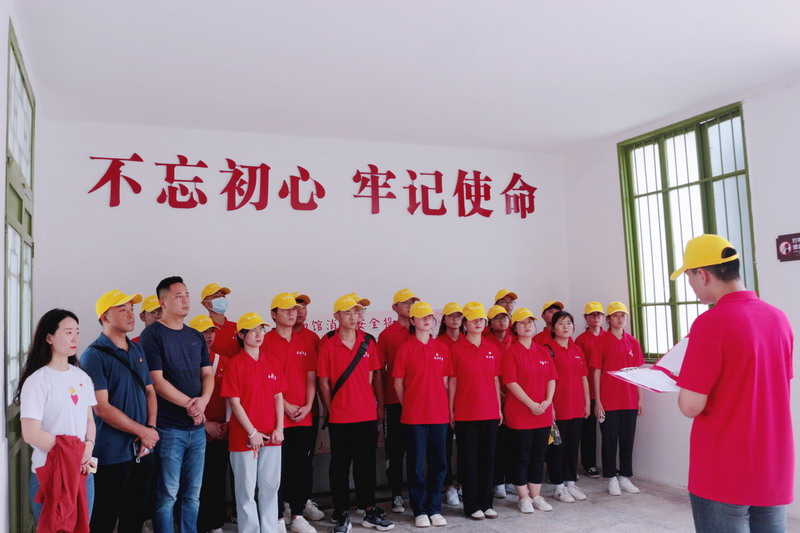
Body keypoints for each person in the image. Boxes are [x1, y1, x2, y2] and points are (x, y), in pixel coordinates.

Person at [673, 234, 794, 532]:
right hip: (772, 466)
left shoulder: (710, 323)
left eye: (689, 278)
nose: (691, 286)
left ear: (703, 274)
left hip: (723, 470)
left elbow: (690, 406)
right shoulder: (779, 319)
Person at [140, 276, 214, 533]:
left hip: (197, 430)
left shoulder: (194, 336)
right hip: (169, 428)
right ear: (163, 302)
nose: (185, 300)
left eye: (187, 295)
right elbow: (157, 381)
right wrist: (190, 405)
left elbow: (208, 374)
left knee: (193, 494)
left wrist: (203, 402)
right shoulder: (152, 335)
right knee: (167, 494)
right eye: (178, 296)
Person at [81, 290, 160, 533]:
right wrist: (142, 431)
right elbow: (101, 408)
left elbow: (150, 391)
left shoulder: (136, 350)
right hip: (108, 453)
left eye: (131, 309)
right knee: (102, 517)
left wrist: (150, 429)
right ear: (105, 317)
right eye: (122, 309)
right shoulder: (93, 356)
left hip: (142, 449)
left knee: (135, 517)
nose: (130, 314)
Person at [318, 295, 394, 533]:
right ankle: (341, 512)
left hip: (366, 415)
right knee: (340, 466)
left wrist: (379, 406)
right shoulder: (328, 344)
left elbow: (375, 377)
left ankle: (369, 509)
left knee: (366, 465)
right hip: (340, 417)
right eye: (348, 312)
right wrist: (331, 408)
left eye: (357, 312)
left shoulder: (368, 342)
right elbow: (323, 382)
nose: (354, 317)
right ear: (337, 316)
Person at [16, 309, 97, 528]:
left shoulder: (82, 377)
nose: (75, 338)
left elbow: (89, 421)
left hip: (83, 473)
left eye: (77, 332)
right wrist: (73, 453)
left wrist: (88, 446)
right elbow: (31, 433)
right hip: (50, 474)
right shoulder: (37, 381)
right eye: (68, 332)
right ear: (49, 338)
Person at [221, 312, 286, 533]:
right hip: (244, 438)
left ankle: (269, 529)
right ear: (241, 335)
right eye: (253, 331)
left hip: (272, 435)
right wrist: (252, 432)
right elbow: (235, 402)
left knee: (270, 486)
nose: (259, 335)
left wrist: (279, 428)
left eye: (261, 330)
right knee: (246, 491)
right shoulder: (235, 364)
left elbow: (278, 397)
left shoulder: (272, 362)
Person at [393, 301, 451, 528]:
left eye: (430, 317)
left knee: (439, 463)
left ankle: (434, 507)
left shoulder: (441, 348)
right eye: (422, 317)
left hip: (439, 415)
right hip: (414, 417)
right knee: (416, 464)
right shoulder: (405, 349)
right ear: (412, 320)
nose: (427, 320)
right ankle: (419, 509)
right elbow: (398, 384)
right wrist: (409, 404)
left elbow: (445, 382)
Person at [263, 293, 318, 533]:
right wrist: (284, 405)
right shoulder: (265, 341)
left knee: (299, 469)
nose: (291, 313)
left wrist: (308, 405)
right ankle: (277, 518)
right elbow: (263, 380)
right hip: (274, 418)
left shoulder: (305, 341)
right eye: (285, 309)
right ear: (273, 314)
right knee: (275, 471)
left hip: (303, 417)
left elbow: (311, 377)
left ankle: (297, 515)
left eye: (294, 309)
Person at [448, 301, 501, 520]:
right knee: (469, 460)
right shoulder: (455, 348)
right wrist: (451, 410)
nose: (478, 323)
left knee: (488, 459)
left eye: (481, 319)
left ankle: (486, 503)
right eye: (473, 319)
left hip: (490, 412)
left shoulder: (492, 348)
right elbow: (452, 381)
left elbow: (495, 380)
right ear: (465, 324)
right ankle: (471, 505)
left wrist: (499, 409)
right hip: (465, 413)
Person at [502, 307, 557, 514]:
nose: (527, 326)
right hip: (520, 414)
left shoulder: (543, 351)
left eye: (530, 322)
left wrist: (548, 401)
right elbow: (511, 383)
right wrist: (531, 404)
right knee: (521, 456)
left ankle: (536, 496)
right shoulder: (511, 353)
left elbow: (552, 378)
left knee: (538, 455)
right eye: (522, 323)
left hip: (542, 413)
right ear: (514, 328)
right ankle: (523, 497)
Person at [590, 301, 643, 497]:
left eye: (623, 315)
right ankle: (611, 477)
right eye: (616, 316)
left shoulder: (633, 342)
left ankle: (625, 477)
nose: (620, 319)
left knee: (628, 439)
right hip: (609, 401)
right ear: (609, 319)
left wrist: (640, 399)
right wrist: (598, 401)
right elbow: (596, 372)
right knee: (609, 440)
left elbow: (637, 373)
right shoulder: (601, 342)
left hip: (629, 400)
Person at [542, 310, 590, 503]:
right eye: (561, 323)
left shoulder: (577, 349)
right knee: (556, 448)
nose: (565, 327)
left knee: (572, 446)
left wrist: (587, 402)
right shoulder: (547, 350)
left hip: (576, 407)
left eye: (569, 323)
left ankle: (570, 482)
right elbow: (545, 380)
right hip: (557, 408)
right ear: (553, 328)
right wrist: (550, 406)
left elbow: (583, 377)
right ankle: (558, 486)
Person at [379, 288, 419, 514]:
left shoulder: (420, 331)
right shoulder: (387, 335)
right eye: (406, 303)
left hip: (418, 404)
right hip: (394, 402)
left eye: (413, 303)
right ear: (395, 308)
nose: (410, 306)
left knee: (416, 450)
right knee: (395, 451)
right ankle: (396, 494)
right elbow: (381, 371)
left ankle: (416, 494)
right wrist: (383, 400)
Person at [189, 315, 229, 533]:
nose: (208, 336)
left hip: (221, 433)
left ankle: (215, 524)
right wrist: (206, 424)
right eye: (203, 332)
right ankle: (196, 525)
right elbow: (183, 400)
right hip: (194, 432)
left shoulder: (224, 361)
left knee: (217, 479)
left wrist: (228, 423)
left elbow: (232, 397)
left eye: (211, 331)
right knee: (195, 482)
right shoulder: (185, 363)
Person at [291, 292, 326, 523]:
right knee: (285, 463)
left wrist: (318, 406)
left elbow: (318, 377)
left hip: (308, 412)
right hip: (281, 413)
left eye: (303, 307)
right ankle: (286, 504)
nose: (300, 311)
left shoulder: (313, 338)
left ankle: (304, 501)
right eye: (295, 307)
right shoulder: (270, 338)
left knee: (306, 462)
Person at [434, 302, 464, 506]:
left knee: (465, 447)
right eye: (451, 316)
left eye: (458, 316)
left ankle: (462, 483)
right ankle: (448, 486)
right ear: (444, 319)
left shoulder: (468, 341)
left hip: (467, 402)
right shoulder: (438, 343)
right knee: (444, 448)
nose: (455, 319)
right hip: (442, 403)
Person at [485, 305, 514, 499]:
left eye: (504, 317)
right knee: (496, 443)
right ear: (490, 323)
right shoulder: (486, 342)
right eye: (497, 318)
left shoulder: (515, 340)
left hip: (515, 398)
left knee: (513, 442)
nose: (502, 321)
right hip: (494, 400)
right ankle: (498, 482)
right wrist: (501, 395)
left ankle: (510, 478)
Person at [574, 301, 604, 479]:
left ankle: (608, 464)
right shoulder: (581, 340)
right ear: (586, 318)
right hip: (589, 392)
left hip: (607, 392)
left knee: (607, 432)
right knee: (588, 431)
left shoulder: (608, 337)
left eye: (599, 314)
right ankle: (589, 464)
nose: (596, 317)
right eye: (592, 314)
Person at [201, 282, 240, 359]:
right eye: (216, 296)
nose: (221, 299)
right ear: (205, 303)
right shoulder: (201, 330)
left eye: (223, 296)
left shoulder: (237, 327)